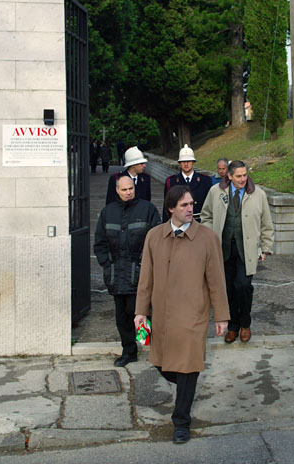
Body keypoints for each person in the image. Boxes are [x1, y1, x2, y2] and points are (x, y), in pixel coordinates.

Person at [134, 185, 229, 444]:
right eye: (184, 205)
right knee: (162, 363)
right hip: (162, 316)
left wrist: (222, 316)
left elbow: (217, 281)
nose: (190, 209)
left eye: (192, 204)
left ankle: (181, 422)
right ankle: (186, 386)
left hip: (193, 316)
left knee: (188, 367)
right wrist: (141, 311)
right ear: (171, 208)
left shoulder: (208, 238)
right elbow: (146, 278)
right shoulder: (154, 236)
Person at [200, 160, 274, 344]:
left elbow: (266, 223)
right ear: (229, 176)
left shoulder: (258, 195)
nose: (243, 179)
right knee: (228, 289)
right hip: (222, 249)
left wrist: (266, 247)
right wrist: (211, 236)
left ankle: (245, 324)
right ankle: (233, 326)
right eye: (238, 176)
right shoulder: (215, 192)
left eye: (245, 175)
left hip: (246, 250)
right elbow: (206, 216)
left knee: (243, 286)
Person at [94, 175, 161, 367]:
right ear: (117, 190)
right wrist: (107, 263)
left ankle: (150, 346)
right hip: (116, 275)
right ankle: (129, 351)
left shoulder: (148, 209)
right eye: (124, 189)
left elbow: (156, 241)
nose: (128, 192)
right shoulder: (107, 212)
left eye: (130, 188)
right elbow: (100, 243)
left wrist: (146, 266)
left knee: (141, 311)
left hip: (139, 273)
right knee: (122, 316)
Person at [163, 144, 211, 221]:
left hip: (200, 221)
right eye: (183, 162)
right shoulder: (171, 181)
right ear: (179, 163)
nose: (186, 164)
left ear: (193, 162)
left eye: (188, 161)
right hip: (179, 221)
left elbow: (210, 205)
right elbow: (167, 205)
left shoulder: (205, 180)